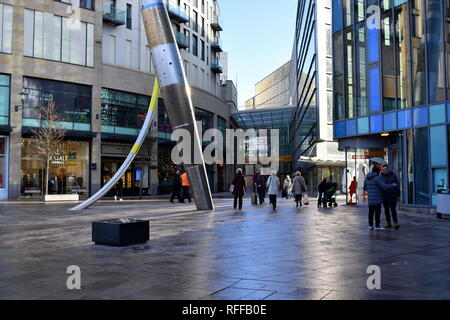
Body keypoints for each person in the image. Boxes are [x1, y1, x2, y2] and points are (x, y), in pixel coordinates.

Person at [363, 166, 398, 231]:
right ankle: (377, 226)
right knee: (377, 212)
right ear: (378, 171)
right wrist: (392, 185)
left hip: (370, 199)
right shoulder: (377, 178)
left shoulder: (367, 178)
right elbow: (383, 186)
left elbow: (365, 188)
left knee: (370, 212)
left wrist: (370, 190)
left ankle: (370, 225)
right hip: (377, 198)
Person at [380, 164, 401, 229]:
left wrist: (398, 195)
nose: (385, 170)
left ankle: (395, 222)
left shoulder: (393, 176)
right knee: (386, 210)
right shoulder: (380, 177)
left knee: (393, 210)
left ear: (388, 169)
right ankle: (388, 223)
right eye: (383, 169)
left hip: (392, 196)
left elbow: (397, 186)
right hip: (384, 196)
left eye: (386, 169)